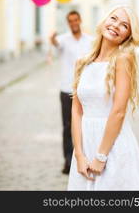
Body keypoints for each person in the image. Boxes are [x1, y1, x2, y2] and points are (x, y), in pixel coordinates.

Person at [67, 5, 139, 190]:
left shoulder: (123, 59)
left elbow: (118, 112)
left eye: (124, 25)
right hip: (85, 147)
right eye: (114, 18)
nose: (116, 26)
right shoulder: (82, 62)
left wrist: (101, 156)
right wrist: (79, 155)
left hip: (113, 148)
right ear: (104, 21)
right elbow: (76, 110)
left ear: (127, 36)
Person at [50, 10, 93, 174]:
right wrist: (52, 40)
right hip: (67, 89)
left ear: (80, 20)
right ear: (68, 23)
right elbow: (56, 45)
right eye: (70, 21)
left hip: (85, 89)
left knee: (85, 125)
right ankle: (68, 161)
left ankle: (84, 158)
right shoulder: (63, 40)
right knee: (67, 126)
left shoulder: (90, 41)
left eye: (76, 20)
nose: (73, 23)